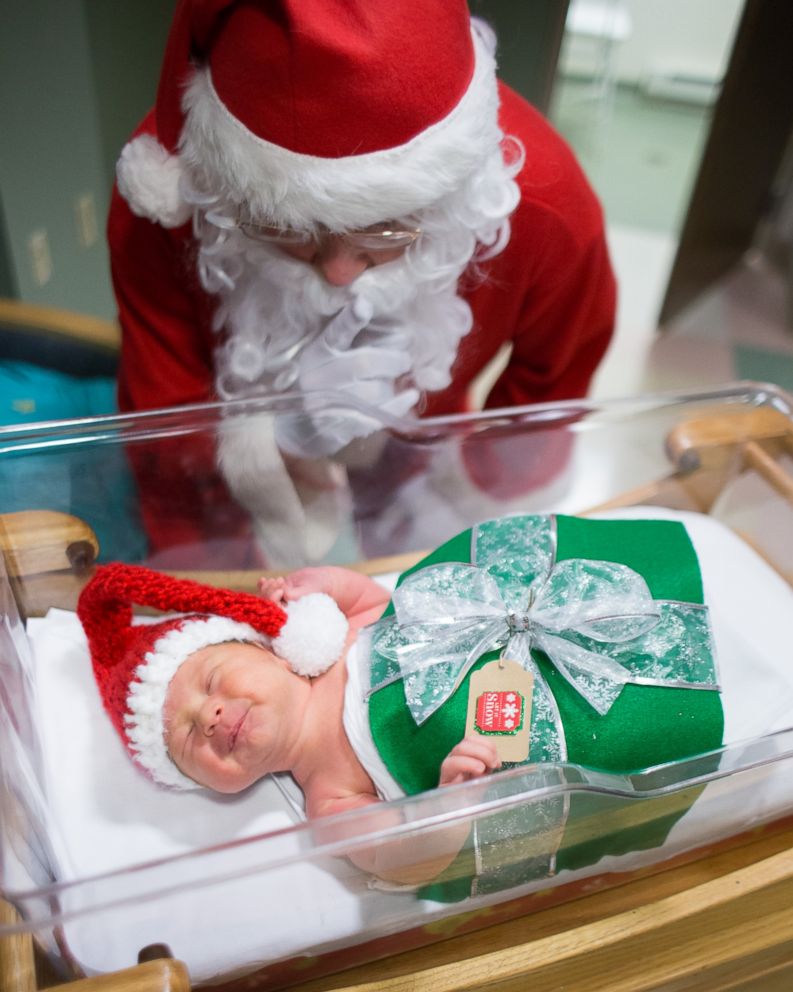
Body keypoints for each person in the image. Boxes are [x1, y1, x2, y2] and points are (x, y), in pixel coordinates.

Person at [108, 0, 617, 565]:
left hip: (427, 461)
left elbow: (551, 386)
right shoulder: (166, 195)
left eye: (388, 231)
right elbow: (160, 412)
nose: (339, 272)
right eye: (286, 229)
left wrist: (463, 496)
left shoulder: (548, 204)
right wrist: (267, 446)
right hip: (231, 496)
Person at [78, 511, 737, 891]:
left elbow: (378, 600)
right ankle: (713, 704)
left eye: (214, 679)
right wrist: (447, 808)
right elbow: (397, 855)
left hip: (510, 616)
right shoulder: (328, 797)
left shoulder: (340, 641)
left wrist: (321, 585)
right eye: (189, 739)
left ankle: (701, 588)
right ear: (204, 784)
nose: (213, 715)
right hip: (514, 728)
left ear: (264, 645)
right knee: (628, 728)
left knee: (631, 599)